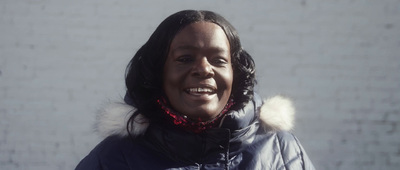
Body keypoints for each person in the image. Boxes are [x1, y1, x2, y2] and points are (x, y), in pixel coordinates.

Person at [75, 10, 315, 170]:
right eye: (185, 58)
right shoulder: (113, 159)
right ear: (158, 71)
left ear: (236, 73)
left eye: (219, 60)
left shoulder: (282, 150)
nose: (203, 69)